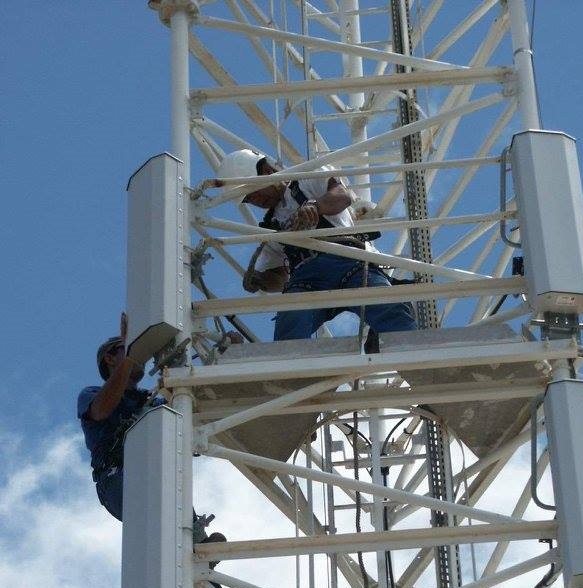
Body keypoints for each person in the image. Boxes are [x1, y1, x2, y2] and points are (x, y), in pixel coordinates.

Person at [78, 313, 226, 584]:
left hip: (151, 472)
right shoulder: (91, 394)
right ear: (110, 358)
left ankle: (199, 559)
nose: (139, 354)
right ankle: (191, 550)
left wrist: (228, 355)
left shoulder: (153, 399)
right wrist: (130, 354)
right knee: (160, 512)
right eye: (126, 348)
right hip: (116, 478)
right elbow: (101, 410)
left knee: (172, 495)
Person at [218, 149, 417, 341]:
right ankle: (293, 370)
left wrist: (316, 207)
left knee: (388, 308)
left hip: (350, 261)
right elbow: (279, 279)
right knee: (290, 324)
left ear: (267, 172)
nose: (256, 200)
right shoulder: (270, 229)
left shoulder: (308, 177)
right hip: (306, 280)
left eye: (253, 191)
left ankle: (414, 354)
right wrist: (260, 280)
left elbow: (342, 197)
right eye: (249, 199)